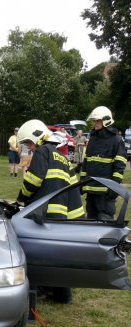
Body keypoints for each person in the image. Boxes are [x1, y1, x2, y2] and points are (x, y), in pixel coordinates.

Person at [16, 120, 84, 305]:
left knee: (41, 253)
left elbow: (33, 181)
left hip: (47, 214)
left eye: (29, 143)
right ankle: (63, 295)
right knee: (60, 255)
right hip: (63, 215)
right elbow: (73, 188)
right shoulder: (62, 157)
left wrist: (22, 197)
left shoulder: (42, 152)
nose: (29, 148)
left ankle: (41, 290)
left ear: (38, 137)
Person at [80, 106, 126, 220]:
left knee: (105, 227)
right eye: (94, 121)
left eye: (98, 121)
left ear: (106, 121)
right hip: (91, 192)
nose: (95, 123)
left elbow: (119, 166)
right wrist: (82, 182)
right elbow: (86, 162)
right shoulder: (93, 139)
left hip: (106, 194)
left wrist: (113, 187)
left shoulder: (116, 140)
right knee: (91, 226)